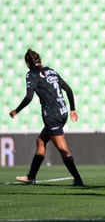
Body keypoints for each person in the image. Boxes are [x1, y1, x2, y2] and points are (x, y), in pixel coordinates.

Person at [9, 49, 83, 186]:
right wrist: (73, 109)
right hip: (63, 112)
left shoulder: (31, 74)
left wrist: (16, 111)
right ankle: (31, 177)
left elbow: (29, 97)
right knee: (41, 141)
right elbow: (68, 89)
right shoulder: (51, 71)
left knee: (63, 149)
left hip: (52, 116)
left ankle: (78, 179)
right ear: (40, 60)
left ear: (27, 63)